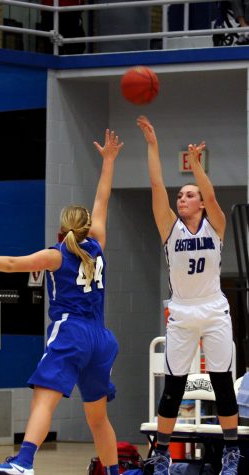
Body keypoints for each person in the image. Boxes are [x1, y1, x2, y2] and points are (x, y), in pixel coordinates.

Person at [0, 129, 124, 475]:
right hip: (102, 338)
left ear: (62, 228)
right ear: (87, 227)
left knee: (44, 398)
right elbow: (103, 199)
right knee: (98, 418)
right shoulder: (97, 244)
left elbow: (10, 264)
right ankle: (114, 472)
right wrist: (110, 161)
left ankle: (24, 461)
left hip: (72, 333)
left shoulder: (56, 255)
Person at [137, 116, 240, 475]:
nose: (183, 197)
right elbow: (155, 184)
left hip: (213, 310)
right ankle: (162, 454)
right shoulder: (169, 227)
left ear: (200, 203)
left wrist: (196, 166)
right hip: (181, 311)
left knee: (222, 383)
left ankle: (231, 453)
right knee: (174, 387)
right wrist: (152, 145)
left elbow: (210, 194)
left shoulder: (217, 224)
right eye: (180, 194)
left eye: (188, 194)